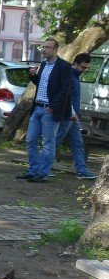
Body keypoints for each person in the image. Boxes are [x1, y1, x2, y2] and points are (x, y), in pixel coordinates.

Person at [15, 38, 73, 183]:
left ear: (55, 49)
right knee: (30, 140)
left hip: (49, 110)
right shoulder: (43, 64)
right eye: (43, 47)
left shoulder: (64, 66)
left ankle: (43, 173)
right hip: (37, 108)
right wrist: (33, 76)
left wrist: (52, 107)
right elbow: (40, 84)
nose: (44, 50)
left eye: (47, 47)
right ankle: (33, 170)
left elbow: (64, 90)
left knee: (48, 143)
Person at [55, 53, 97, 179]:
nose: (84, 70)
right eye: (83, 67)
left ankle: (82, 170)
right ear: (76, 63)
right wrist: (72, 112)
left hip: (74, 117)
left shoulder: (75, 76)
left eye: (87, 68)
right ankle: (42, 166)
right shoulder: (69, 76)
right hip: (67, 116)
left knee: (78, 143)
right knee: (55, 141)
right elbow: (66, 97)